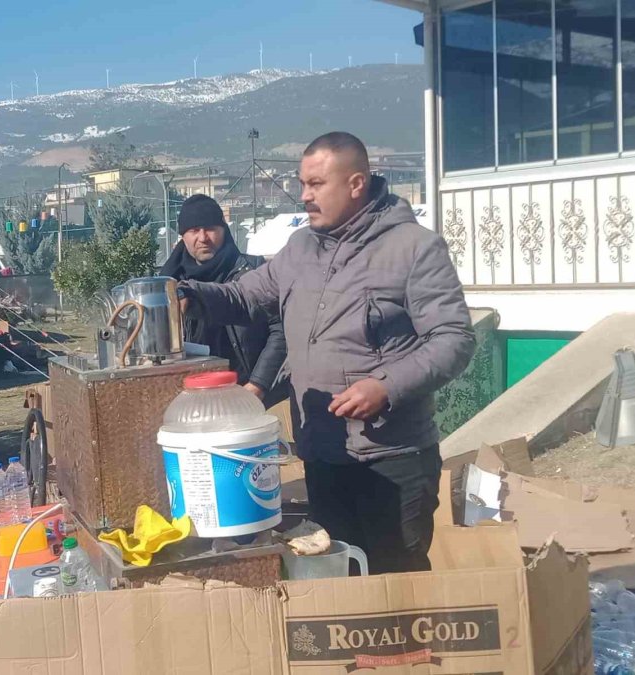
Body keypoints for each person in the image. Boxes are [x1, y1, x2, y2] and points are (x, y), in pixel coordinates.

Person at [180, 133, 474, 573]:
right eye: (302, 184)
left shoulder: (414, 248)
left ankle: (402, 646)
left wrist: (386, 387)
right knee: (340, 573)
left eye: (316, 184)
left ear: (356, 184)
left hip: (391, 458)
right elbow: (245, 297)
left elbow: (454, 338)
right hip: (322, 451)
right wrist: (187, 293)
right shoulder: (300, 249)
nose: (305, 196)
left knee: (395, 579)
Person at [161, 194, 287, 408]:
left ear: (224, 230)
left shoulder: (254, 273)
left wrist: (258, 385)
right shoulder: (170, 283)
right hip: (193, 398)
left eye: (210, 228)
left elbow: (281, 330)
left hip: (253, 395)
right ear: (183, 236)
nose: (203, 237)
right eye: (193, 230)